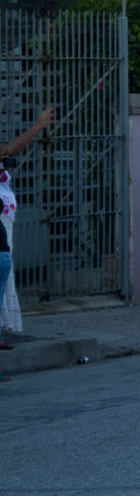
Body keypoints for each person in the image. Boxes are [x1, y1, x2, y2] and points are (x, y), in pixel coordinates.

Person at [1, 105, 54, 347]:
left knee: (5, 273)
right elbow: (10, 148)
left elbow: (9, 150)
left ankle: (4, 326)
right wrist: (37, 127)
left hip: (5, 222)